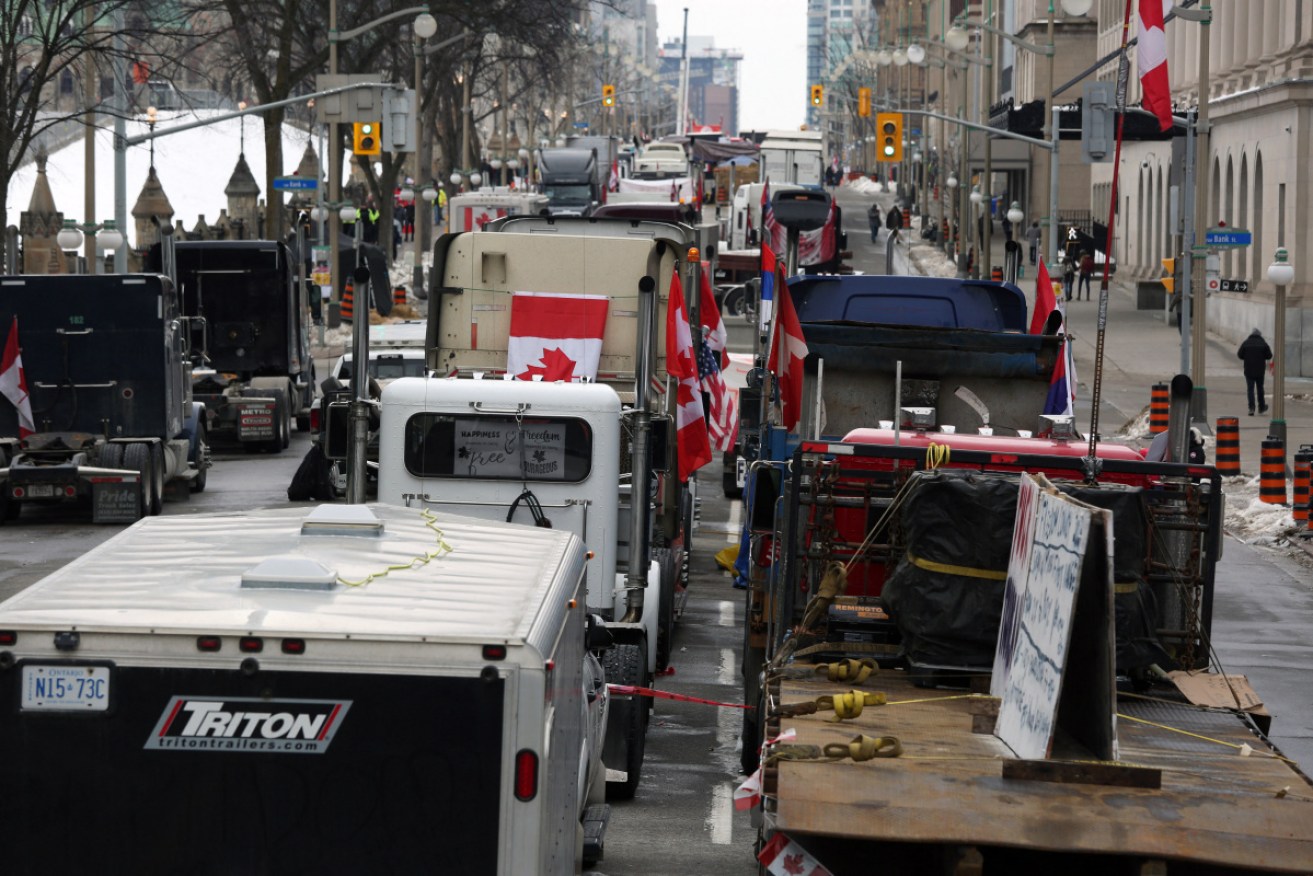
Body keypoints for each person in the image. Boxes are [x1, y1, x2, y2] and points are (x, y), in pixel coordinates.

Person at [1237, 328, 1274, 415]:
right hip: (1260, 370)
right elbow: (1269, 355)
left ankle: (1251, 408)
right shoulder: (1263, 343)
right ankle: (1261, 407)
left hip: (1248, 369)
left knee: (1250, 389)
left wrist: (1246, 357)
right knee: (1260, 388)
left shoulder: (1246, 342)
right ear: (1259, 335)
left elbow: (1239, 354)